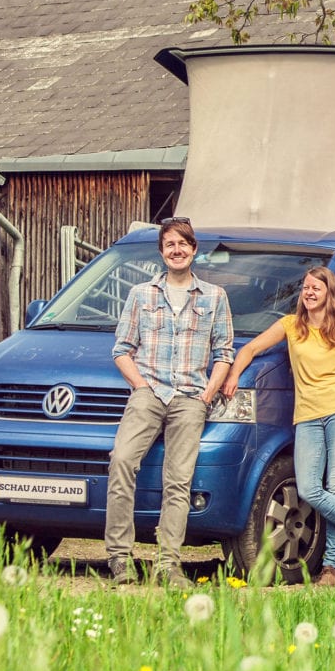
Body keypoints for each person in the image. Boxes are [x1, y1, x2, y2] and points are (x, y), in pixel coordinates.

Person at [224, 265, 335, 586]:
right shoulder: (290, 326)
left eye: (317, 288)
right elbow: (251, 348)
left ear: (330, 294)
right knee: (312, 488)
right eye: (306, 288)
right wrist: (232, 375)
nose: (309, 293)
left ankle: (330, 567)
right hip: (307, 415)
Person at [105, 217, 233, 590]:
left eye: (183, 244)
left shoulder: (213, 297)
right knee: (122, 462)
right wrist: (141, 385)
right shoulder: (141, 295)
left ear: (194, 250)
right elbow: (122, 349)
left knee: (178, 481)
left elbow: (224, 352)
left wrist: (207, 395)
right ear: (162, 252)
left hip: (190, 397)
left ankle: (168, 564)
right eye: (169, 245)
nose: (176, 251)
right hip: (148, 394)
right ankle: (120, 558)